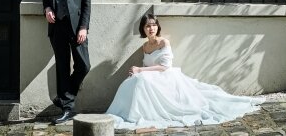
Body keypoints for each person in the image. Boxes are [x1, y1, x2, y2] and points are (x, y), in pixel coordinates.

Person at [106, 14, 264, 129]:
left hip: (165, 77)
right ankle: (131, 113)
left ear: (158, 27)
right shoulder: (145, 46)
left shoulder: (164, 42)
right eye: (147, 26)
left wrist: (141, 69)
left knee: (141, 79)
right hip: (152, 77)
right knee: (132, 81)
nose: (151, 28)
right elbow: (146, 65)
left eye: (153, 25)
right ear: (143, 29)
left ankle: (145, 113)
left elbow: (165, 66)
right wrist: (137, 71)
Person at [42, 0, 91, 124]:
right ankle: (67, 109)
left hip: (77, 27)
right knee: (62, 67)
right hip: (57, 27)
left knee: (84, 65)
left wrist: (84, 27)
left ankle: (64, 97)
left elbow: (86, 2)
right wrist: (47, 8)